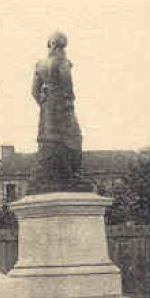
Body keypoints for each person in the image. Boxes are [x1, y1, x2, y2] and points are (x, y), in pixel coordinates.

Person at [29, 31, 90, 193]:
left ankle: (49, 174)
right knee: (74, 138)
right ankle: (72, 174)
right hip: (63, 106)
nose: (63, 50)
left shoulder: (40, 65)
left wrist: (44, 102)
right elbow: (68, 85)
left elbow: (34, 91)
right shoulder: (63, 63)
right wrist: (68, 101)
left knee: (48, 139)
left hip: (48, 108)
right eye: (62, 46)